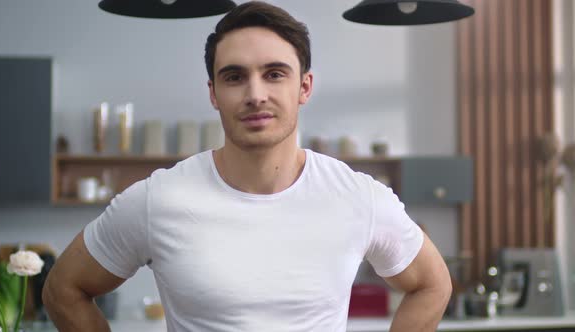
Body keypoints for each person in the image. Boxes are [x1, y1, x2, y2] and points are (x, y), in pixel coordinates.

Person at [42, 1, 452, 331]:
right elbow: (63, 288)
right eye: (235, 77)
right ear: (214, 93)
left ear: (304, 87)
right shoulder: (157, 199)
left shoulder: (358, 197)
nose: (256, 94)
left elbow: (433, 284)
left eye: (274, 74)